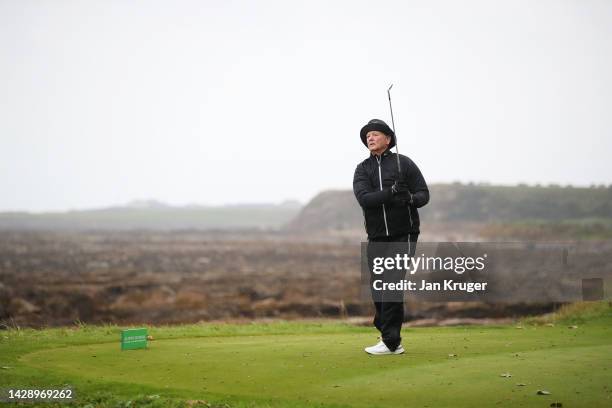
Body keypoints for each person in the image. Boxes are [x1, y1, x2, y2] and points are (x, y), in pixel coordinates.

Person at [353, 118, 430, 355]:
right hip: (376, 236)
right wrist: (391, 192)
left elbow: (423, 195)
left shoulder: (404, 164)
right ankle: (386, 330)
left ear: (388, 139)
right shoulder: (362, 169)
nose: (370, 138)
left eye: (375, 134)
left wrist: (409, 198)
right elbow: (365, 199)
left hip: (403, 234)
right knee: (378, 287)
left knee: (392, 284)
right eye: (367, 136)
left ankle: (391, 341)